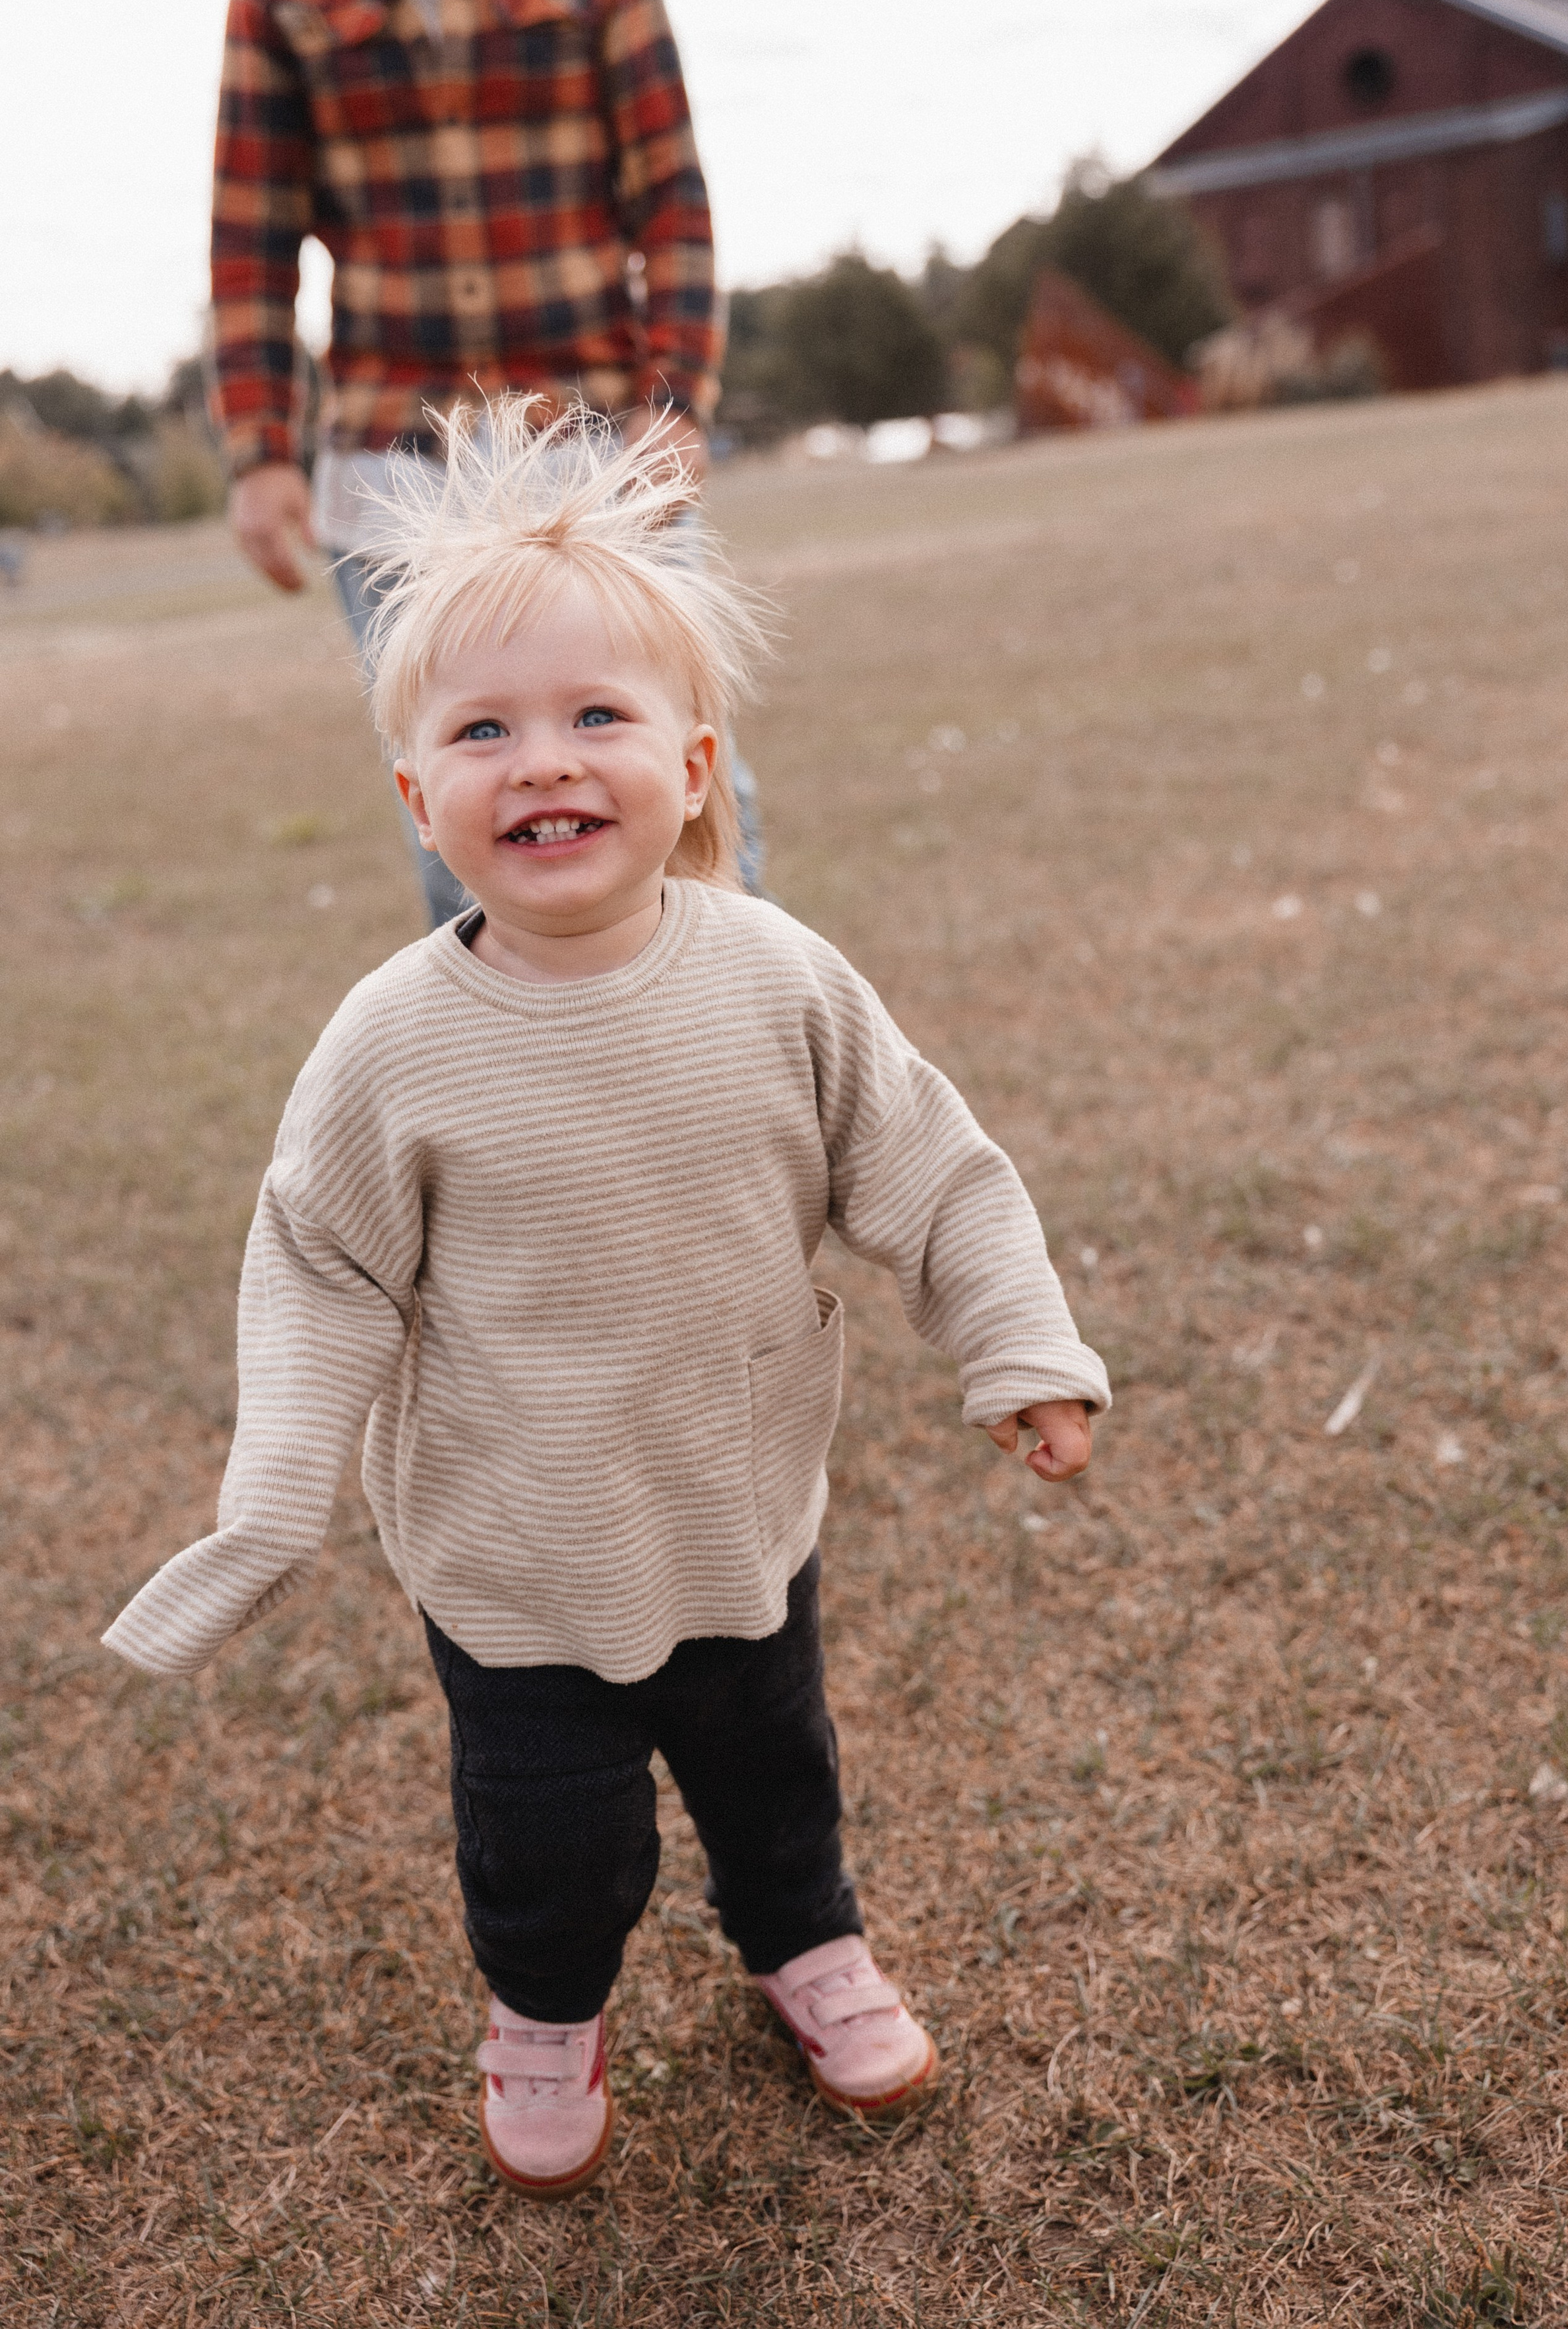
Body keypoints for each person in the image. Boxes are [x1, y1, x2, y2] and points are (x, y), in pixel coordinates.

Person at [102, 404, 1110, 2202]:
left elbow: (929, 1167)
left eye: (595, 717)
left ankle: (807, 1943)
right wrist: (273, 1499)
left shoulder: (780, 981)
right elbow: (319, 1268)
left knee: (773, 1775)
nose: (540, 763)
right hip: (515, 1558)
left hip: (734, 1513)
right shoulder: (392, 1042)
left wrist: (1017, 1345)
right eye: (481, 729)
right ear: (416, 796)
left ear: (698, 766)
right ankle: (545, 2011)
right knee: (549, 1838)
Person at [208, 0, 750, 920]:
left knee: (682, 806)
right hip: (392, 471)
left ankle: (723, 1032)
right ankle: (496, 1044)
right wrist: (259, 452)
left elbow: (671, 194)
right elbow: (251, 234)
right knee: (466, 832)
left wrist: (677, 400)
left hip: (598, 453)